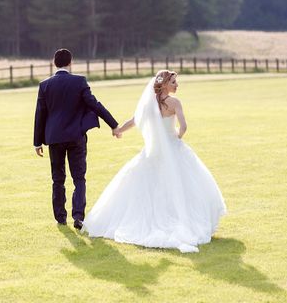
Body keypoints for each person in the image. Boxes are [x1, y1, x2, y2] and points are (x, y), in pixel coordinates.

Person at [81, 70, 226, 253]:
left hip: (153, 152)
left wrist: (118, 130)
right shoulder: (174, 103)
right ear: (164, 84)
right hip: (173, 149)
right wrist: (176, 138)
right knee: (182, 185)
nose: (176, 85)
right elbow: (184, 127)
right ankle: (180, 220)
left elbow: (134, 121)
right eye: (173, 82)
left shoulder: (149, 104)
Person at [33, 48, 120, 229]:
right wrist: (113, 124)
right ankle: (78, 216)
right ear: (70, 62)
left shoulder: (45, 85)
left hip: (54, 138)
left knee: (58, 179)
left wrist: (37, 142)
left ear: (53, 62)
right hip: (76, 137)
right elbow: (95, 105)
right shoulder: (79, 81)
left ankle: (60, 218)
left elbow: (40, 114)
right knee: (79, 178)